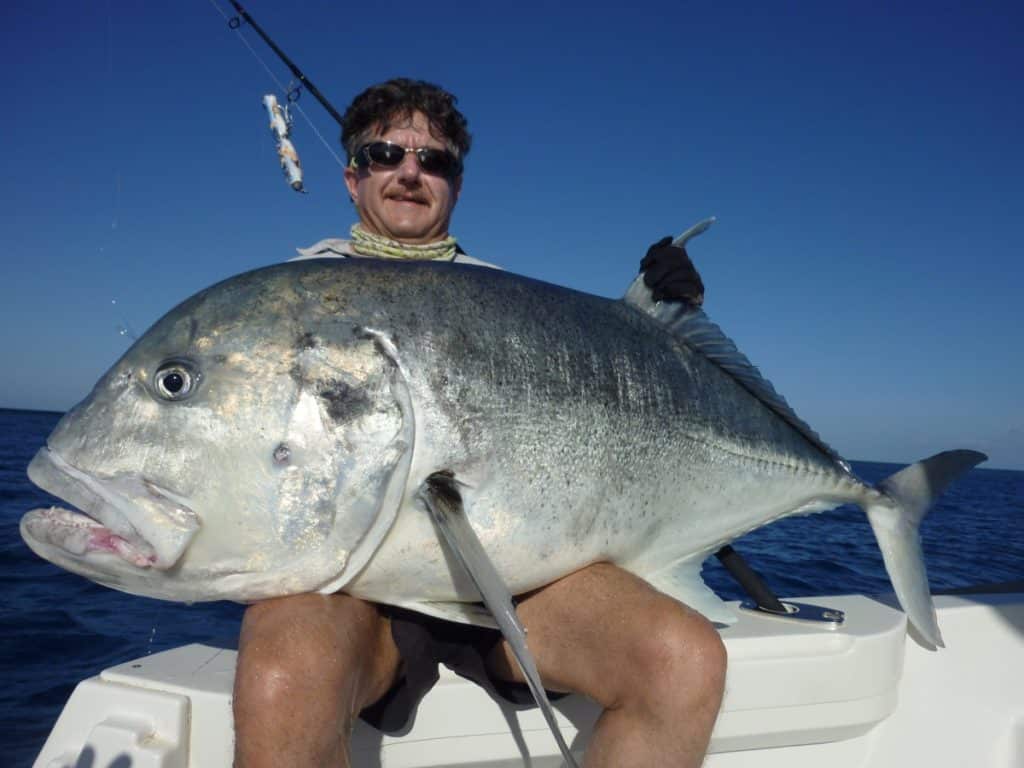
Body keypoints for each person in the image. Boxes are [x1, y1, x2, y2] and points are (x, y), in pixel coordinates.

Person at [233, 78, 725, 768]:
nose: (410, 171)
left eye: (435, 161)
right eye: (385, 154)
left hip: (514, 582)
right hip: (351, 592)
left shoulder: (507, 306)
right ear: (352, 178)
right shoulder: (288, 307)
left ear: (456, 185)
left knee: (685, 658)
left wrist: (665, 330)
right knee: (281, 673)